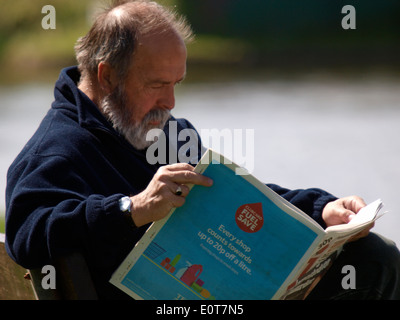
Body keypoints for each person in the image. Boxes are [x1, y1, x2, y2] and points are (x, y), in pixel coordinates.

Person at [5, 0, 400, 300]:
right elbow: (26, 232)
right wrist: (133, 209)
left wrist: (321, 209)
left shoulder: (158, 128)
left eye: (178, 83)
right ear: (108, 76)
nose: (172, 102)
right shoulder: (56, 149)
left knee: (371, 256)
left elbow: (234, 193)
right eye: (158, 84)